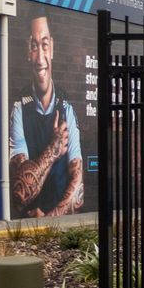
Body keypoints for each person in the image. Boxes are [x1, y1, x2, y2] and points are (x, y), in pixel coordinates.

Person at [10, 15, 85, 216]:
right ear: (28, 51)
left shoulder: (66, 107)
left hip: (57, 223)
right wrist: (54, 149)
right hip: (23, 227)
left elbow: (78, 186)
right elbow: (20, 194)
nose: (40, 57)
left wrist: (50, 220)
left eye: (44, 45)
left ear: (51, 48)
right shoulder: (19, 109)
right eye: (34, 46)